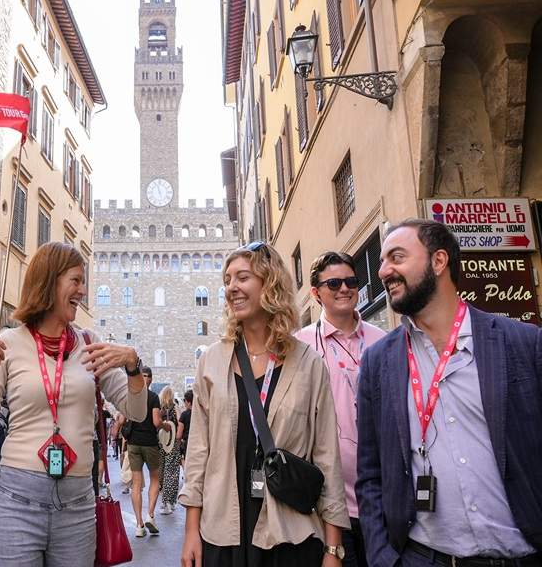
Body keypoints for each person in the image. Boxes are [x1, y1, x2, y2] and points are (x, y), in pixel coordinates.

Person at [356, 219, 542, 567]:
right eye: (382, 261)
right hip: (423, 558)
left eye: (396, 257)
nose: (383, 271)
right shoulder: (379, 362)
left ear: (438, 262)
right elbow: (370, 473)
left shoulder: (523, 343)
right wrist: (384, 557)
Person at [0, 242, 147, 567]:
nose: (83, 289)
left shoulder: (89, 344)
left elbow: (136, 412)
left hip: (77, 503)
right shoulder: (8, 343)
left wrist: (132, 364)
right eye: (75, 280)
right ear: (49, 282)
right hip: (17, 499)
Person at [179, 240, 349, 567]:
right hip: (222, 531)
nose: (232, 288)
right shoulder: (211, 362)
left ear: (269, 282)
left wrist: (332, 549)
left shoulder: (309, 364)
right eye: (227, 280)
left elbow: (327, 456)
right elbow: (198, 451)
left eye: (242, 278)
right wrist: (191, 530)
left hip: (289, 532)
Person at [295, 251, 386, 567]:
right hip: (328, 504)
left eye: (351, 281)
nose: (344, 288)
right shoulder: (300, 346)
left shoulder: (384, 341)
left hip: (383, 498)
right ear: (315, 293)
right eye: (333, 283)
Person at [127, 366, 169, 537]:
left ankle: (139, 525)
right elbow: (156, 422)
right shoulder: (153, 397)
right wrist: (166, 426)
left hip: (133, 443)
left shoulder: (130, 396)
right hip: (150, 443)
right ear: (151, 379)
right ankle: (150, 515)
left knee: (136, 485)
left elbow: (122, 418)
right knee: (155, 479)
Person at [158, 386, 180, 515]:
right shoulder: (175, 407)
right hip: (173, 443)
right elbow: (180, 421)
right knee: (172, 473)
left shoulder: (159, 407)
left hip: (161, 442)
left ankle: (164, 502)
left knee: (162, 471)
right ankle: (170, 502)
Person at [177, 388, 193, 460]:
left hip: (187, 444)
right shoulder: (201, 414)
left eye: (184, 400)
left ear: (189, 402)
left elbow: (179, 435)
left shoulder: (184, 415)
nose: (184, 402)